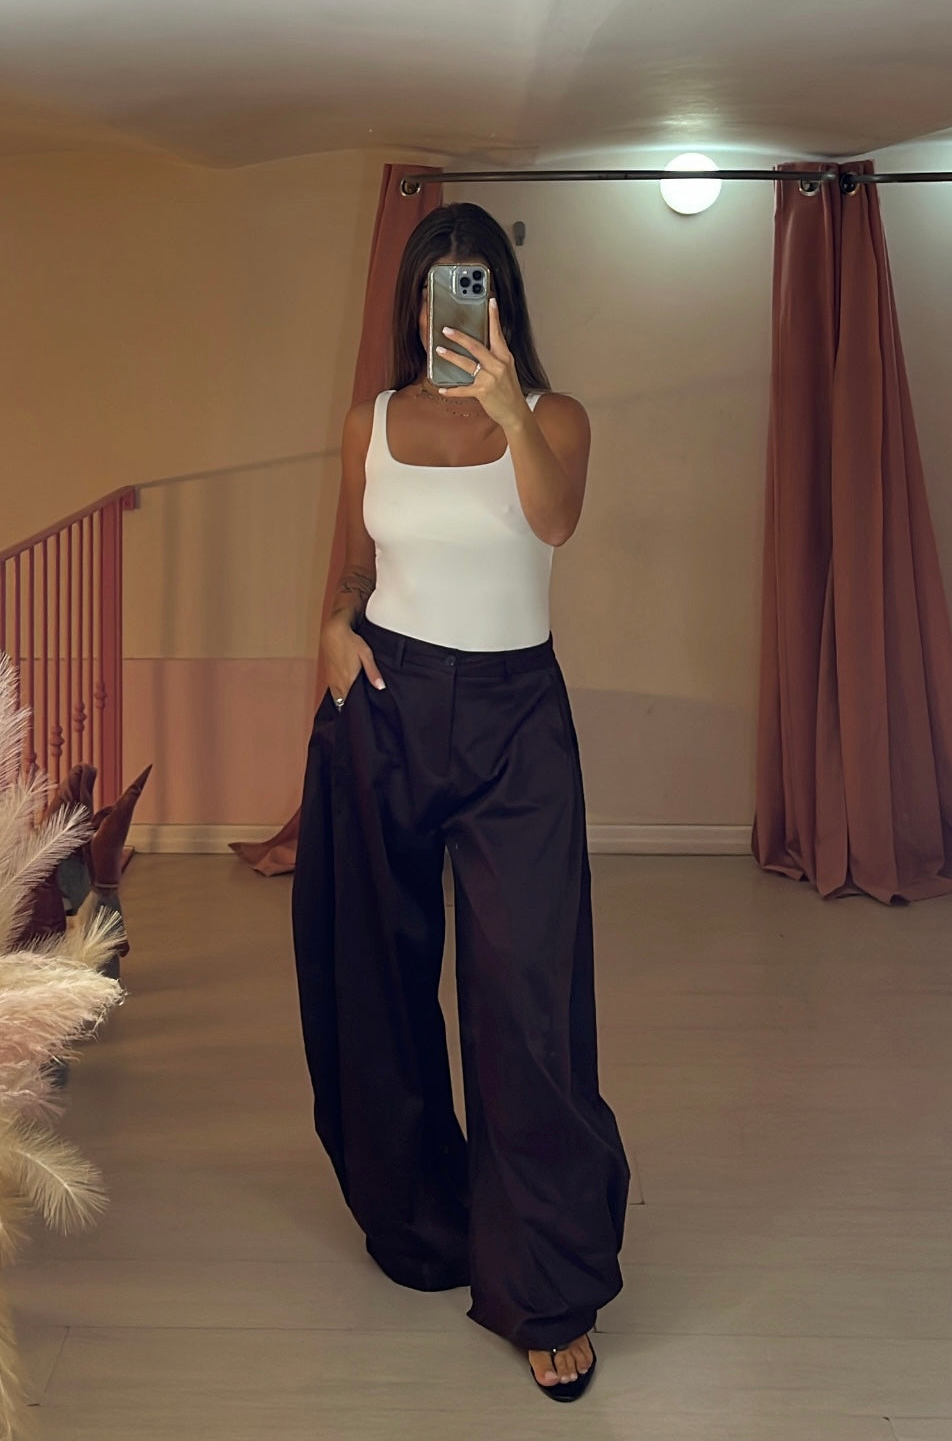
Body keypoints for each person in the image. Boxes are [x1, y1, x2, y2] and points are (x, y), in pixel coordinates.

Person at [291, 201, 629, 1402]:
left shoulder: (555, 416)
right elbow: (356, 562)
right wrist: (333, 626)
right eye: (436, 288)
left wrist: (507, 412)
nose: (454, 309)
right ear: (413, 306)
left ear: (500, 302)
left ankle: (545, 1284)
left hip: (513, 721)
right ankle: (421, 1219)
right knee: (376, 980)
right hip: (382, 702)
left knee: (525, 998)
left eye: (473, 285)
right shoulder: (370, 423)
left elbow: (556, 520)